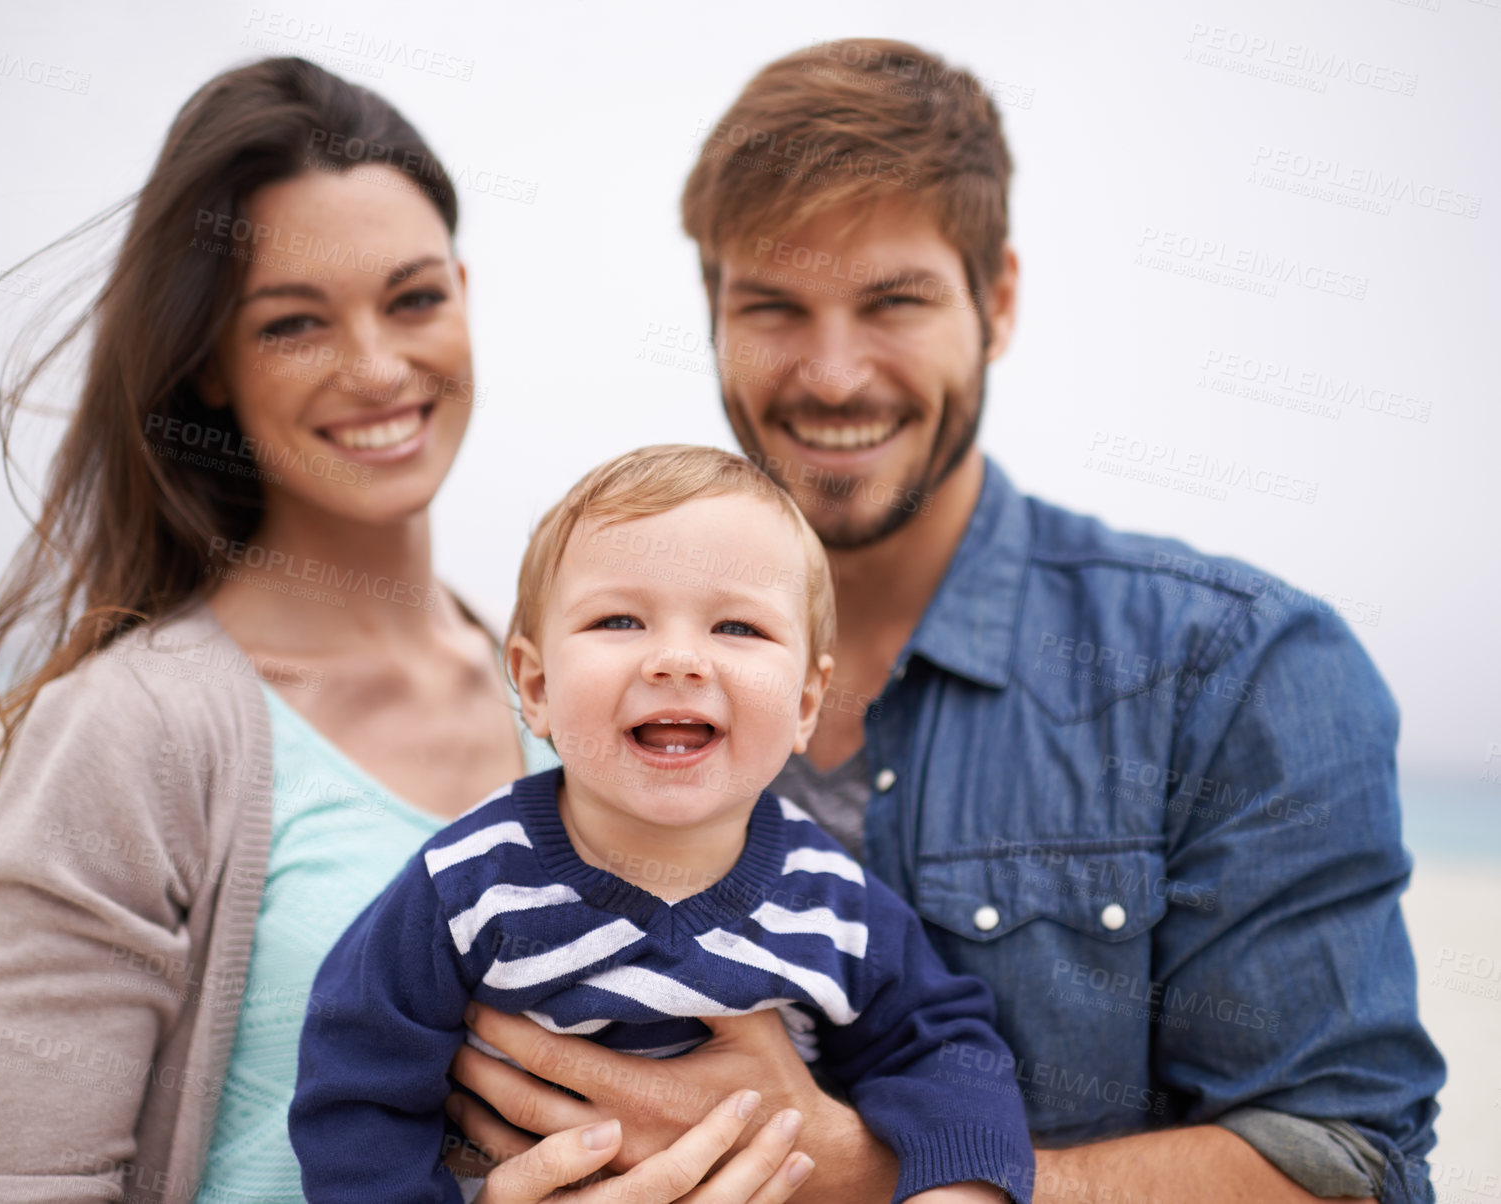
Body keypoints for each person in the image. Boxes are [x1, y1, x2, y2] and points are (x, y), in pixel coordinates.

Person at [439, 38, 1446, 1204]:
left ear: (997, 300)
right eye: (774, 305)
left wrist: (867, 1176)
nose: (830, 373)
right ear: (713, 311)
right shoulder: (575, 655)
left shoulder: (1235, 668)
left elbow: (1346, 1166)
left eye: (893, 302)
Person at [0, 58, 807, 1204]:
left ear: (465, 293)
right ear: (209, 367)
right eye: (294, 323)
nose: (379, 366)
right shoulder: (129, 732)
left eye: (415, 297)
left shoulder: (590, 694)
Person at [289, 445, 1035, 1204]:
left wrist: (959, 1187)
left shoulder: (832, 900)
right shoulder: (466, 882)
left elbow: (943, 1047)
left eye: (738, 628)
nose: (677, 660)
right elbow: (354, 1078)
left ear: (806, 704)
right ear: (536, 685)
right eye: (619, 619)